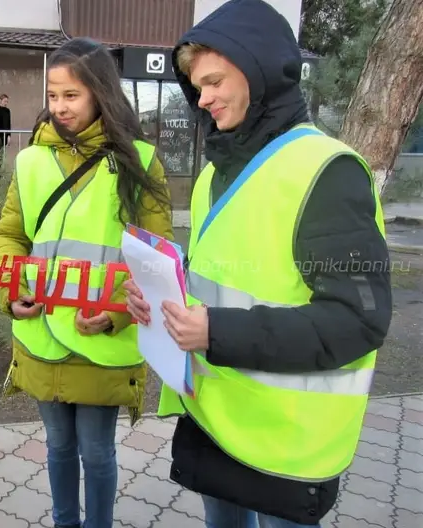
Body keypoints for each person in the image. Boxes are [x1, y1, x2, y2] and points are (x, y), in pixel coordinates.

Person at [124, 0, 393, 526]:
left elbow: (358, 320)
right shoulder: (212, 176)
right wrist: (161, 300)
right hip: (215, 420)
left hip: (287, 449)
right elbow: (223, 278)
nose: (203, 100)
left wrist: (214, 330)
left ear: (260, 69)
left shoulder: (326, 172)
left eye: (216, 81)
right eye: (198, 87)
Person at [0, 37, 174, 528]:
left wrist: (116, 312)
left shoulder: (137, 160)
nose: (59, 107)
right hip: (41, 333)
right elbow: (10, 234)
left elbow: (156, 256)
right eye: (53, 95)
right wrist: (13, 290)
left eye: (70, 95)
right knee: (57, 446)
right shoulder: (31, 160)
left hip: (102, 337)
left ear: (100, 93)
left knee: (96, 452)